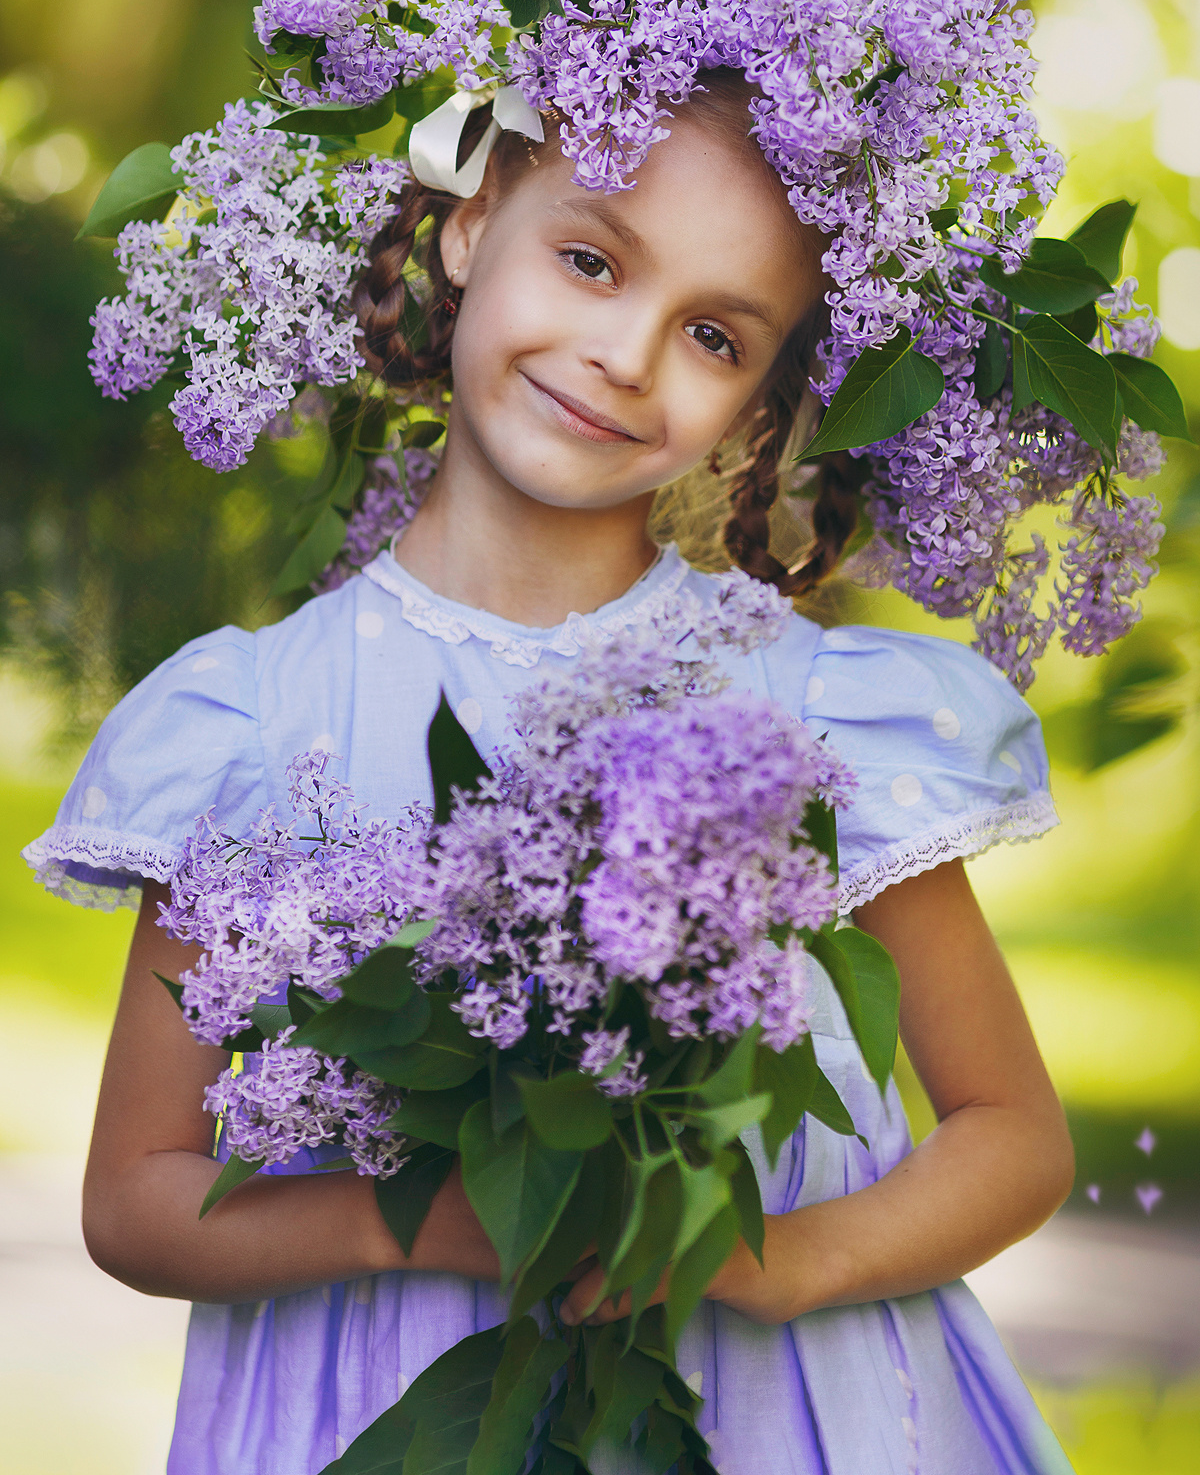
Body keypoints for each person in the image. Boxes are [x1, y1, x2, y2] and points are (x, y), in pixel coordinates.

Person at [26, 74, 1076, 1474]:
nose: (626, 355)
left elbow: (1013, 1136)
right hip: (391, 1408)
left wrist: (772, 1266)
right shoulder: (253, 726)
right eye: (590, 260)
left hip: (772, 1412)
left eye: (712, 333)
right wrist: (429, 1224)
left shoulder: (808, 712)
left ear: (762, 401)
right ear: (467, 229)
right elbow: (134, 1201)